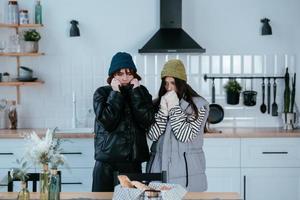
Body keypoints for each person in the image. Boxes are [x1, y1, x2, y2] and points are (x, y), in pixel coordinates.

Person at [92, 52, 155, 192]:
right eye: (120, 73)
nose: (125, 77)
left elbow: (147, 121)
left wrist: (136, 92)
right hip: (106, 164)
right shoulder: (102, 93)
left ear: (134, 74)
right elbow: (107, 122)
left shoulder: (141, 92)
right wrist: (115, 93)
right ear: (113, 75)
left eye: (129, 73)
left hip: (132, 163)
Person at [146, 59, 209, 192]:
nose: (168, 88)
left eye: (173, 83)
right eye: (166, 83)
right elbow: (152, 135)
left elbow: (184, 135)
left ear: (181, 83)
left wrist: (174, 106)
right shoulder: (158, 104)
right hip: (158, 170)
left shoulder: (199, 105)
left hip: (187, 174)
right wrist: (163, 110)